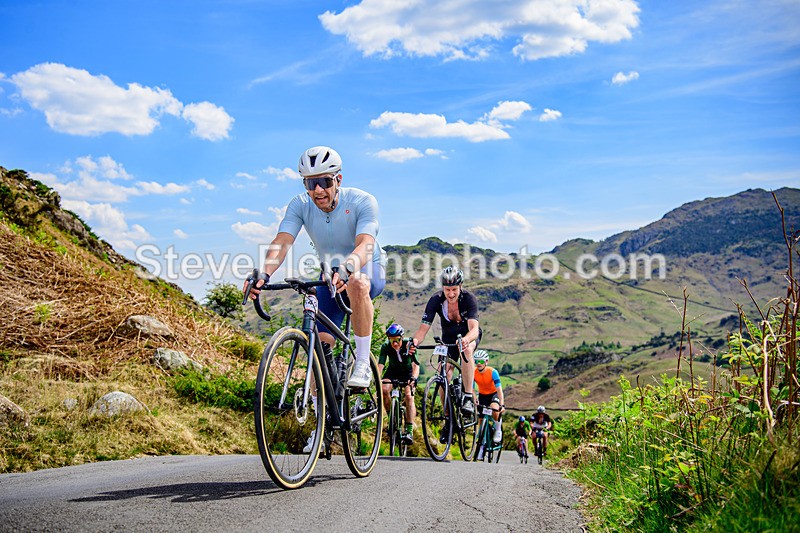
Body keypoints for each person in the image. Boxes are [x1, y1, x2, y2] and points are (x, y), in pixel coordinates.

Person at [244, 146, 385, 453]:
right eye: (310, 183)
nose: (318, 190)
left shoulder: (362, 201)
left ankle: (361, 362)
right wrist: (264, 274)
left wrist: (347, 268)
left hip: (365, 267)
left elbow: (366, 244)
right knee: (319, 345)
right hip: (328, 274)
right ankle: (326, 422)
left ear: (338, 179)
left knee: (358, 283)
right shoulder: (300, 205)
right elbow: (282, 242)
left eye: (324, 181)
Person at [409, 266, 481, 417]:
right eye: (447, 290)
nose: (451, 293)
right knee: (443, 376)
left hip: (468, 337)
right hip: (448, 340)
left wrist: (467, 339)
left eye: (454, 289)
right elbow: (423, 329)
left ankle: (468, 396)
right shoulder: (436, 300)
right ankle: (448, 418)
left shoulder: (468, 299)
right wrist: (414, 342)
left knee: (466, 351)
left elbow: (474, 329)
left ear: (460, 286)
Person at [377, 323, 419, 444]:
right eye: (392, 340)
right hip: (393, 371)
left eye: (397, 340)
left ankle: (409, 430)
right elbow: (380, 365)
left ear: (402, 337)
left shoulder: (408, 344)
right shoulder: (385, 347)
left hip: (408, 372)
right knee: (384, 390)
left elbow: (415, 365)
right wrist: (377, 378)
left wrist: (413, 379)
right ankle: (392, 418)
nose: (395, 343)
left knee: (408, 395)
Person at [472, 349, 504, 460]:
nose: (478, 363)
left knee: (494, 409)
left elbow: (499, 389)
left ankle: (498, 429)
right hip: (482, 396)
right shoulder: (473, 372)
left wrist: (502, 404)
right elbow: (472, 389)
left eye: (481, 361)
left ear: (486, 361)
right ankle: (481, 446)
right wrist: (475, 400)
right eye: (476, 361)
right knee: (481, 421)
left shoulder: (493, 372)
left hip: (493, 394)